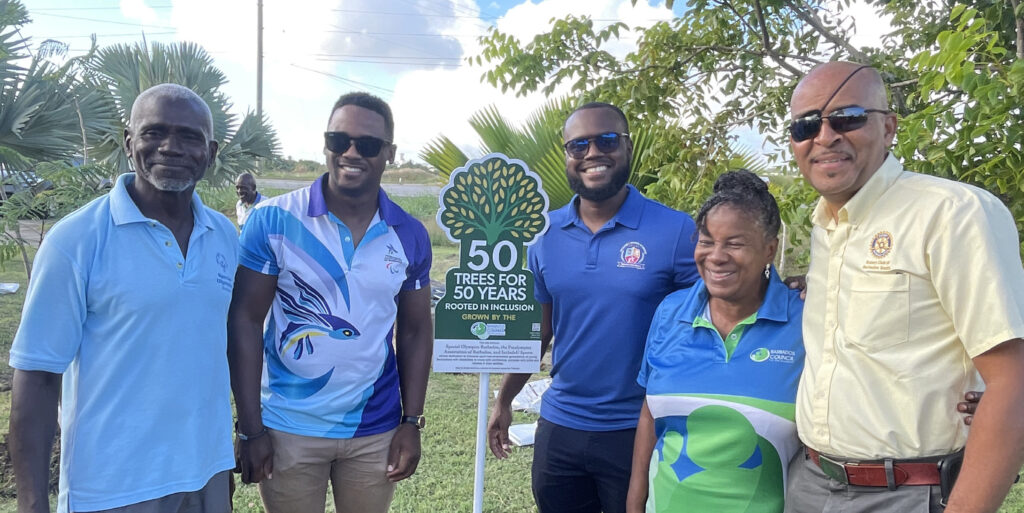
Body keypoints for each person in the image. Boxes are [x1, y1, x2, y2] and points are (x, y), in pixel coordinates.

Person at [784, 62, 1024, 512]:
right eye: (806, 125)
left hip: (911, 492)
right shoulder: (823, 229)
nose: (825, 136)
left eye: (848, 118)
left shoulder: (952, 214)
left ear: (889, 127)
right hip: (810, 484)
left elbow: (1013, 381)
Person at [8, 83, 235, 513]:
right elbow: (36, 377)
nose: (170, 147)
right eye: (154, 132)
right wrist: (32, 502)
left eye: (189, 136)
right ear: (129, 142)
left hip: (206, 476)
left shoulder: (223, 235)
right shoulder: (75, 241)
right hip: (112, 488)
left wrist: (224, 462)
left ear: (211, 152)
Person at [487, 102, 700, 513]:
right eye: (579, 145)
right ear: (567, 154)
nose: (593, 153)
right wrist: (505, 400)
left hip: (638, 428)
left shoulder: (675, 231)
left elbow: (720, 307)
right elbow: (539, 331)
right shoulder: (544, 234)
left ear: (628, 147)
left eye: (607, 140)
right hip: (560, 425)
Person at [228, 91, 433, 513]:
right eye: (339, 140)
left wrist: (411, 421)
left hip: (374, 428)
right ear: (325, 145)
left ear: (390, 153)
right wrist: (250, 428)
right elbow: (245, 321)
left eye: (368, 144)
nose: (351, 153)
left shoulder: (410, 234)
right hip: (287, 427)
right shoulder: (273, 220)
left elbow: (414, 330)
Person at [626, 170, 805, 513]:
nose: (716, 256)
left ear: (770, 249)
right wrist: (634, 504)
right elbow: (650, 416)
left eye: (734, 244)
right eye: (706, 241)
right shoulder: (670, 312)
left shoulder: (805, 320)